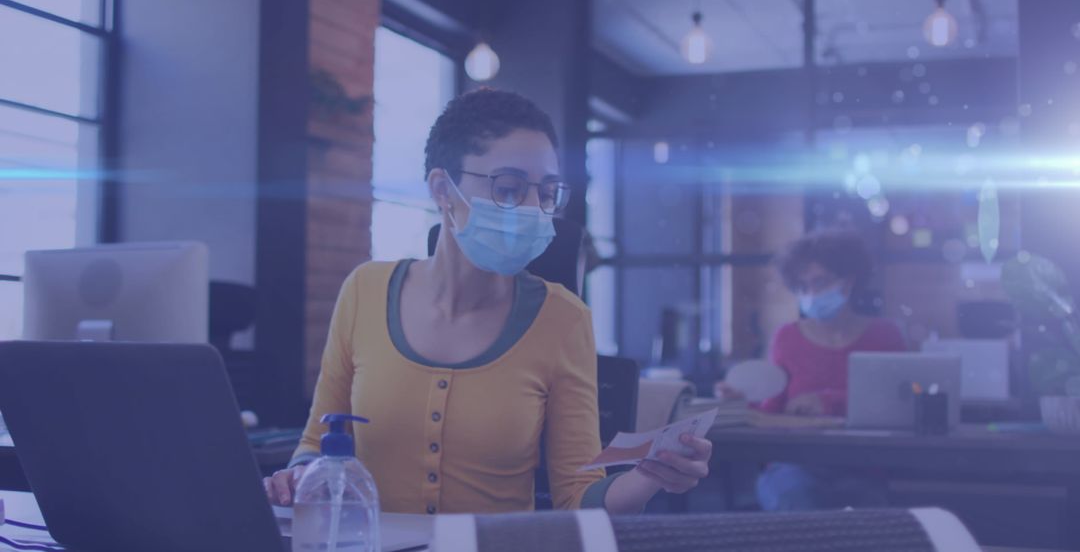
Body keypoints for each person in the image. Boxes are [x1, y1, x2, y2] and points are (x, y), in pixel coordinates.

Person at [264, 89, 711, 515]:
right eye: (510, 188)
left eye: (547, 192)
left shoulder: (564, 319)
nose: (536, 208)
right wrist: (299, 475)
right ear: (442, 190)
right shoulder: (364, 290)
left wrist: (651, 475)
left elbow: (577, 496)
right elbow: (316, 443)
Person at [720, 230, 906, 510]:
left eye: (820, 282)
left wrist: (828, 400)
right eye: (802, 287)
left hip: (861, 466)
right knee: (798, 499)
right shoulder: (787, 337)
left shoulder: (885, 335)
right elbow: (772, 408)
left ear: (848, 282)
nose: (811, 294)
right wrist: (740, 403)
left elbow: (897, 403)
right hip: (793, 464)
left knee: (865, 512)